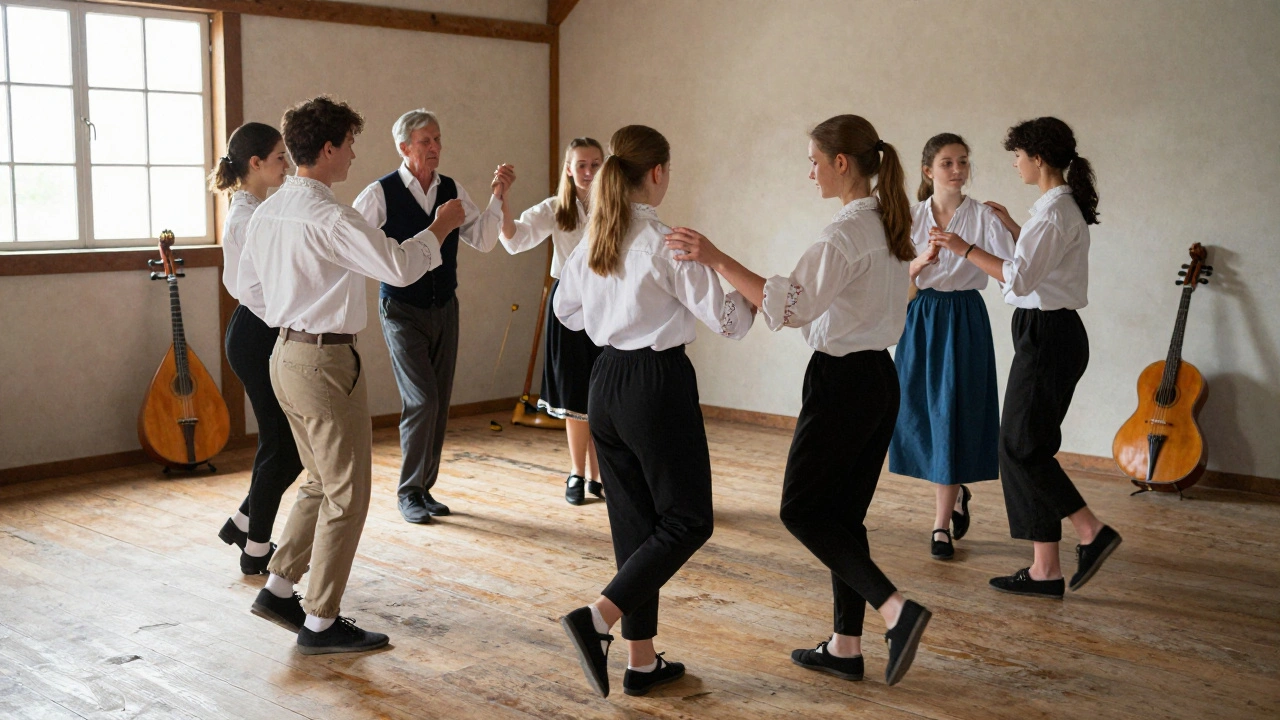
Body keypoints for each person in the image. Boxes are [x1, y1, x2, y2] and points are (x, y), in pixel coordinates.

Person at [664, 114, 931, 686]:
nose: (810, 173)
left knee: (802, 510)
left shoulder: (845, 234)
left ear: (841, 163)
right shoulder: (888, 220)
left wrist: (717, 258)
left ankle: (896, 610)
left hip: (842, 384)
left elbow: (791, 307)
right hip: (879, 380)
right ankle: (846, 647)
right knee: (843, 519)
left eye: (814, 162)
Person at [239, 96, 465, 654]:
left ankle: (279, 588)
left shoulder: (268, 211)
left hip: (284, 355)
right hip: (323, 362)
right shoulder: (331, 217)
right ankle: (320, 622)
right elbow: (399, 267)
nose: (355, 155)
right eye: (349, 144)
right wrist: (438, 228)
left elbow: (247, 287)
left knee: (319, 481)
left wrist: (292, 317)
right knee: (348, 493)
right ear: (328, 149)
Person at [556, 125, 753, 698]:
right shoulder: (667, 242)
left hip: (605, 383)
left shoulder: (596, 234)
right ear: (658, 172)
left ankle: (640, 663)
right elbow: (732, 323)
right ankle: (596, 618)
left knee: (634, 526)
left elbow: (567, 312)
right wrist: (743, 288)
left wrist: (613, 316)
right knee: (689, 520)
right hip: (656, 383)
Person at [929, 116, 1122, 599]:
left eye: (1018, 156)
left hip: (1048, 336)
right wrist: (1016, 227)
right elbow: (1038, 262)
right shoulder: (1052, 210)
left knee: (1019, 448)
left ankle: (1091, 530)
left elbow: (1017, 278)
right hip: (1049, 333)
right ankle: (1045, 569)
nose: (1015, 164)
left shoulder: (1055, 213)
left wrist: (964, 247)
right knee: (1027, 447)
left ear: (1037, 158)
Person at [352, 109, 510, 524]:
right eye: (426, 141)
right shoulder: (379, 194)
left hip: (445, 307)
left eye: (438, 139)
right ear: (404, 147)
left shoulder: (452, 190)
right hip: (401, 309)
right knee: (422, 399)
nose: (435, 147)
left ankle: (424, 489)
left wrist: (497, 196)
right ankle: (408, 492)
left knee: (438, 401)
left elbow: (484, 239)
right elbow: (354, 245)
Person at [888, 133, 1014, 560]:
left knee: (954, 413)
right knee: (923, 412)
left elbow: (1011, 272)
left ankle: (940, 525)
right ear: (928, 170)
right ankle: (955, 492)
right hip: (921, 317)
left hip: (965, 317)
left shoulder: (983, 216)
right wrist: (918, 264)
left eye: (963, 161)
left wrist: (967, 250)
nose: (958, 170)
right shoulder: (909, 217)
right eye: (947, 162)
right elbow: (892, 280)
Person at [210, 122, 304, 575]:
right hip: (255, 335)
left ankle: (244, 524)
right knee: (282, 444)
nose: (287, 164)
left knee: (288, 445)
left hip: (259, 331)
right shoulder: (248, 217)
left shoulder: (255, 209)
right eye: (280, 156)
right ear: (255, 163)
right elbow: (250, 288)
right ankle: (255, 550)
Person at [498, 137, 606, 504]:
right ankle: (577, 473)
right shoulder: (556, 208)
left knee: (603, 393)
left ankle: (600, 477)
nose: (588, 171)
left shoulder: (616, 206)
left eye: (595, 164)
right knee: (576, 392)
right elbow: (514, 238)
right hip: (569, 307)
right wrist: (503, 198)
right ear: (569, 169)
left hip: (608, 304)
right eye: (581, 165)